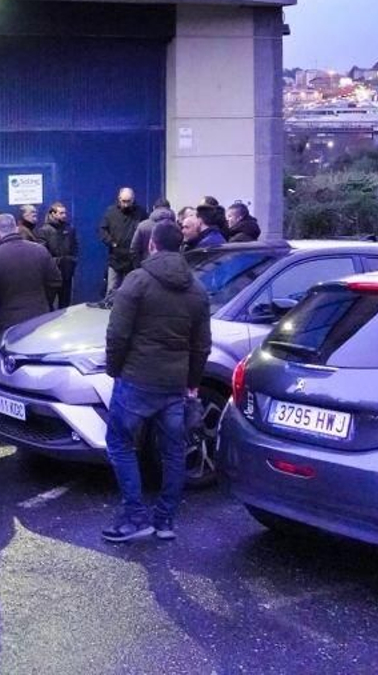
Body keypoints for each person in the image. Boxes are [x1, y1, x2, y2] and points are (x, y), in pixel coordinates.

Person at [101, 219, 210, 544]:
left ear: (152, 245)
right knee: (174, 451)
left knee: (119, 442)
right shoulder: (197, 289)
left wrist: (114, 369)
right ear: (180, 246)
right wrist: (191, 382)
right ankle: (165, 521)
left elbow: (117, 334)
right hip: (174, 384)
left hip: (136, 379)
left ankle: (135, 517)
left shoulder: (137, 281)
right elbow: (201, 344)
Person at [98, 187, 147, 295]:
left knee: (133, 291)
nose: (125, 204)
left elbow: (146, 230)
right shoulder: (111, 212)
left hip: (133, 260)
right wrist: (112, 243)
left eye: (128, 201)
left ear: (133, 199)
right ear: (119, 199)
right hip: (116, 259)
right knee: (111, 290)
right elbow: (102, 230)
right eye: (123, 201)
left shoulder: (141, 213)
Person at [36, 201, 79, 309]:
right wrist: (56, 262)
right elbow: (42, 252)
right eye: (61, 213)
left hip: (67, 273)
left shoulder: (69, 229)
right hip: (52, 274)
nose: (64, 216)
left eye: (65, 213)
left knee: (66, 304)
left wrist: (72, 261)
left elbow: (75, 246)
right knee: (49, 304)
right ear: (53, 214)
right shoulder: (44, 231)